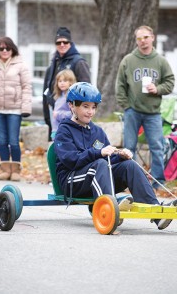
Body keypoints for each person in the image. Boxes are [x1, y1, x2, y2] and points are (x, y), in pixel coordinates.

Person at [54, 82, 177, 230]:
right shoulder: (64, 131)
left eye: (93, 107)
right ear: (72, 106)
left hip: (95, 177)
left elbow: (107, 160)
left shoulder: (97, 131)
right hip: (71, 181)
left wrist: (120, 157)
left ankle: (157, 213)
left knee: (129, 165)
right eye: (85, 106)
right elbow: (71, 161)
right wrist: (98, 153)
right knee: (98, 165)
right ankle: (110, 210)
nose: (90, 112)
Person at [115, 25, 175, 195]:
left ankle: (157, 183)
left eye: (146, 37)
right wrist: (125, 105)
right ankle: (132, 181)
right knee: (129, 148)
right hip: (132, 111)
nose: (143, 41)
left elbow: (170, 82)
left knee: (157, 147)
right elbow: (119, 85)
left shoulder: (160, 61)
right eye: (139, 38)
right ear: (136, 41)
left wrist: (158, 89)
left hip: (153, 112)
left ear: (152, 38)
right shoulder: (128, 60)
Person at [0, 36, 32, 181]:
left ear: (12, 49)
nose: (4, 51)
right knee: (2, 140)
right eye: (1, 48)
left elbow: (26, 86)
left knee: (13, 141)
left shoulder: (20, 64)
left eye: (7, 48)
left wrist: (26, 107)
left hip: (15, 109)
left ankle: (16, 170)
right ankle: (5, 169)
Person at [43, 26, 91, 140]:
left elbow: (86, 89)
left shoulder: (78, 62)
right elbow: (47, 88)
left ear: (70, 43)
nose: (62, 44)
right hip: (55, 113)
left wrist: (80, 113)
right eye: (58, 42)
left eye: (65, 42)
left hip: (72, 114)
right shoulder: (54, 62)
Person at [51, 69, 76, 140]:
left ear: (71, 82)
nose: (62, 83)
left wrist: (58, 115)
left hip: (65, 131)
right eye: (60, 81)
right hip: (56, 129)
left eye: (65, 81)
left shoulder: (71, 97)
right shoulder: (59, 96)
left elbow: (73, 113)